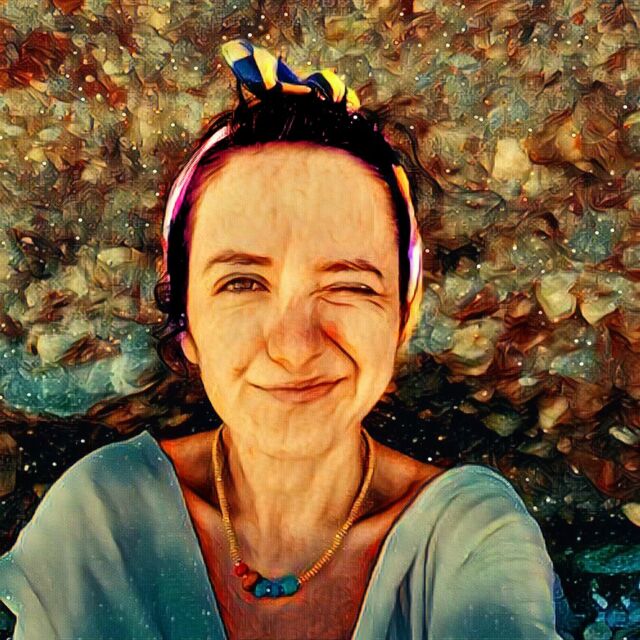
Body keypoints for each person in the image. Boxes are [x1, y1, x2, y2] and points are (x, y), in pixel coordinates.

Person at [0, 39, 563, 639]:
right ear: (185, 321)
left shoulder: (470, 539)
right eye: (242, 283)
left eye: (348, 285)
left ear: (404, 314)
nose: (294, 346)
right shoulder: (101, 520)